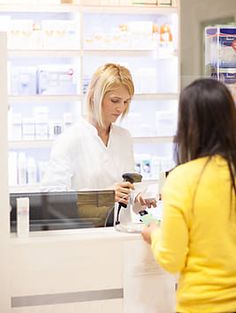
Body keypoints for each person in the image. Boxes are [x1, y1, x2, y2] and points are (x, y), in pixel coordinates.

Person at [141, 78, 236, 313]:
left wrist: (154, 233)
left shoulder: (183, 179)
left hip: (202, 304)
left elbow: (172, 258)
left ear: (188, 125)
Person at [41, 63, 155, 224]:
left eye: (126, 102)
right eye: (115, 100)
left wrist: (139, 199)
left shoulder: (124, 137)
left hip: (120, 234)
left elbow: (128, 195)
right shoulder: (70, 139)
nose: (121, 108)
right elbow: (51, 197)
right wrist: (104, 195)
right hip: (85, 235)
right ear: (95, 96)